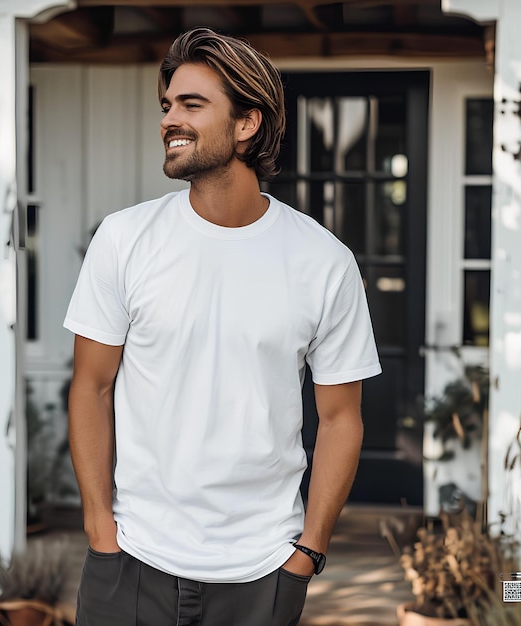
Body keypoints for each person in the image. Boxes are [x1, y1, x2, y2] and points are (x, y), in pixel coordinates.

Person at [64, 27, 381, 626]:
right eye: (166, 105)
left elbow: (341, 418)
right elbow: (91, 386)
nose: (168, 119)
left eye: (191, 105)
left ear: (246, 124)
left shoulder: (322, 261)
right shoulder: (124, 240)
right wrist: (99, 526)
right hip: (131, 558)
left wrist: (308, 552)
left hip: (261, 570)